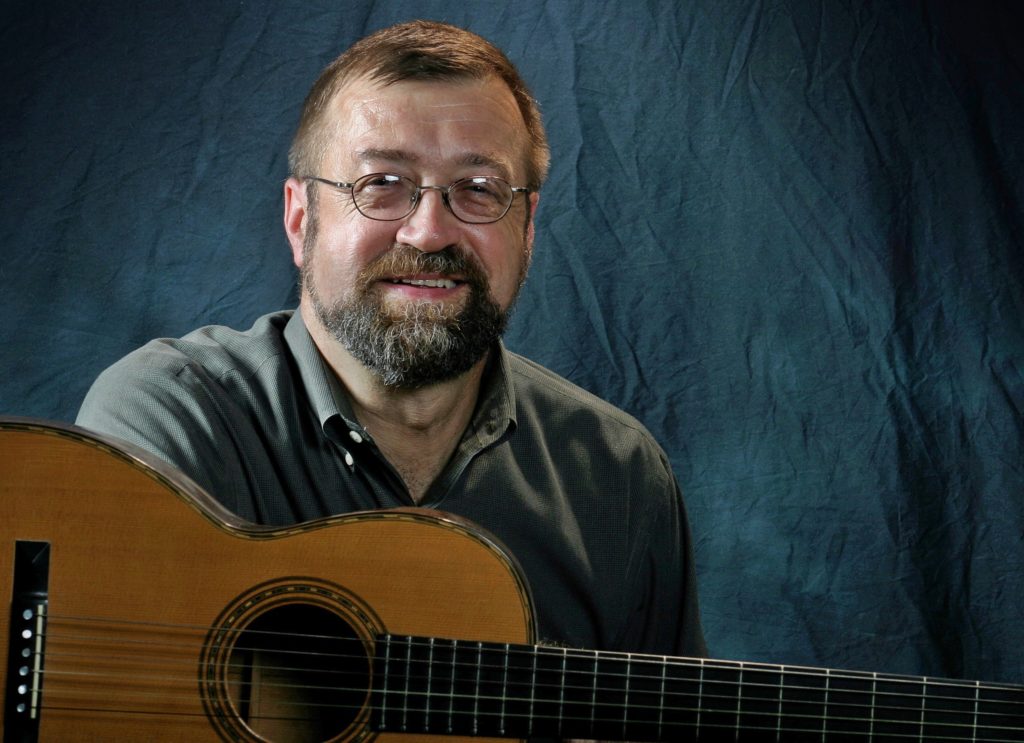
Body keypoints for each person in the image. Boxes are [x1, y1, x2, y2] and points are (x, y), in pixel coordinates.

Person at [76, 19, 706, 658]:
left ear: (529, 229)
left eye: (479, 190)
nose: (429, 233)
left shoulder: (617, 478)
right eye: (382, 185)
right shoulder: (175, 420)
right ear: (301, 221)